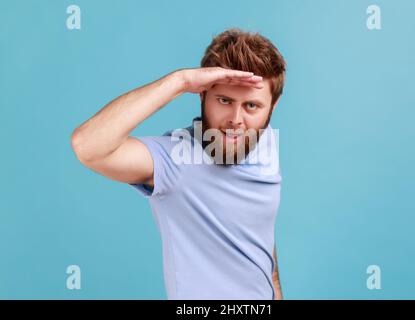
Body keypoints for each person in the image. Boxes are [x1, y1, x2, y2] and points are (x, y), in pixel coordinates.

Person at [70, 28, 286, 300]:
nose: (236, 119)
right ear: (202, 95)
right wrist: (180, 80)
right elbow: (88, 146)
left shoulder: (264, 144)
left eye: (251, 106)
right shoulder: (175, 158)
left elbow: (261, 243)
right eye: (224, 100)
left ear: (272, 107)